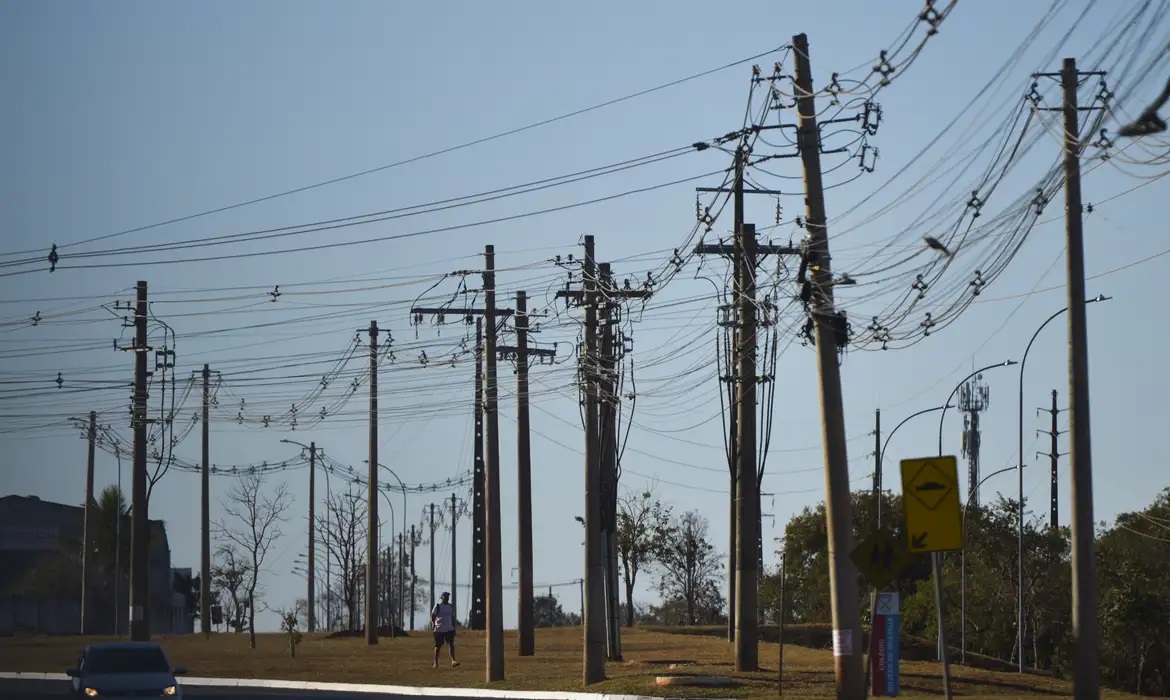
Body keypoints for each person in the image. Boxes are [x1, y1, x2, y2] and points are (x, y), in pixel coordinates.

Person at [430, 591, 459, 668]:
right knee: (438, 646)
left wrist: (454, 628)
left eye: (448, 597)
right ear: (442, 597)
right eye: (445, 596)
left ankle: (453, 661)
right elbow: (432, 616)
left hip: (449, 629)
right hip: (439, 629)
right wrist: (433, 624)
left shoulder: (450, 606)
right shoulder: (438, 606)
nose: (447, 598)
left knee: (451, 645)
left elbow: (452, 618)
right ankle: (436, 663)